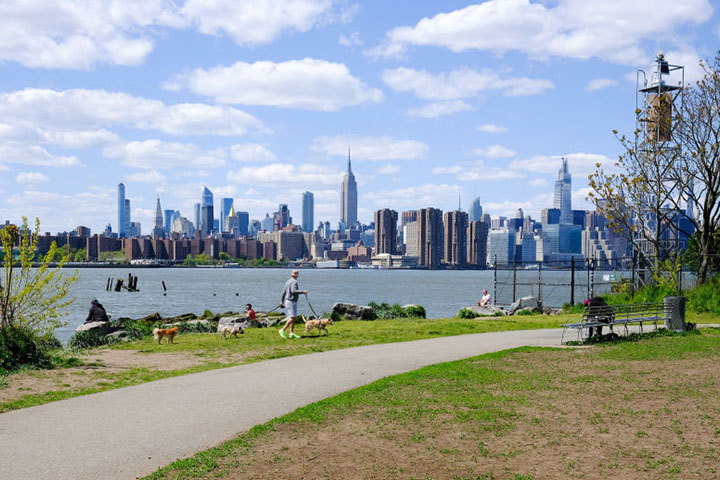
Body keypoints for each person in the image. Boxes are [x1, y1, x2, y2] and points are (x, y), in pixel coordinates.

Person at [279, 270, 307, 339]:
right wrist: (303, 292)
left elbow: (283, 292)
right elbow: (293, 291)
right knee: (293, 318)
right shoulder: (294, 282)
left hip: (288, 301)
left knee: (293, 318)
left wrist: (282, 301)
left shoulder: (288, 281)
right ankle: (282, 330)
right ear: (297, 275)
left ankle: (291, 333)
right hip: (291, 301)